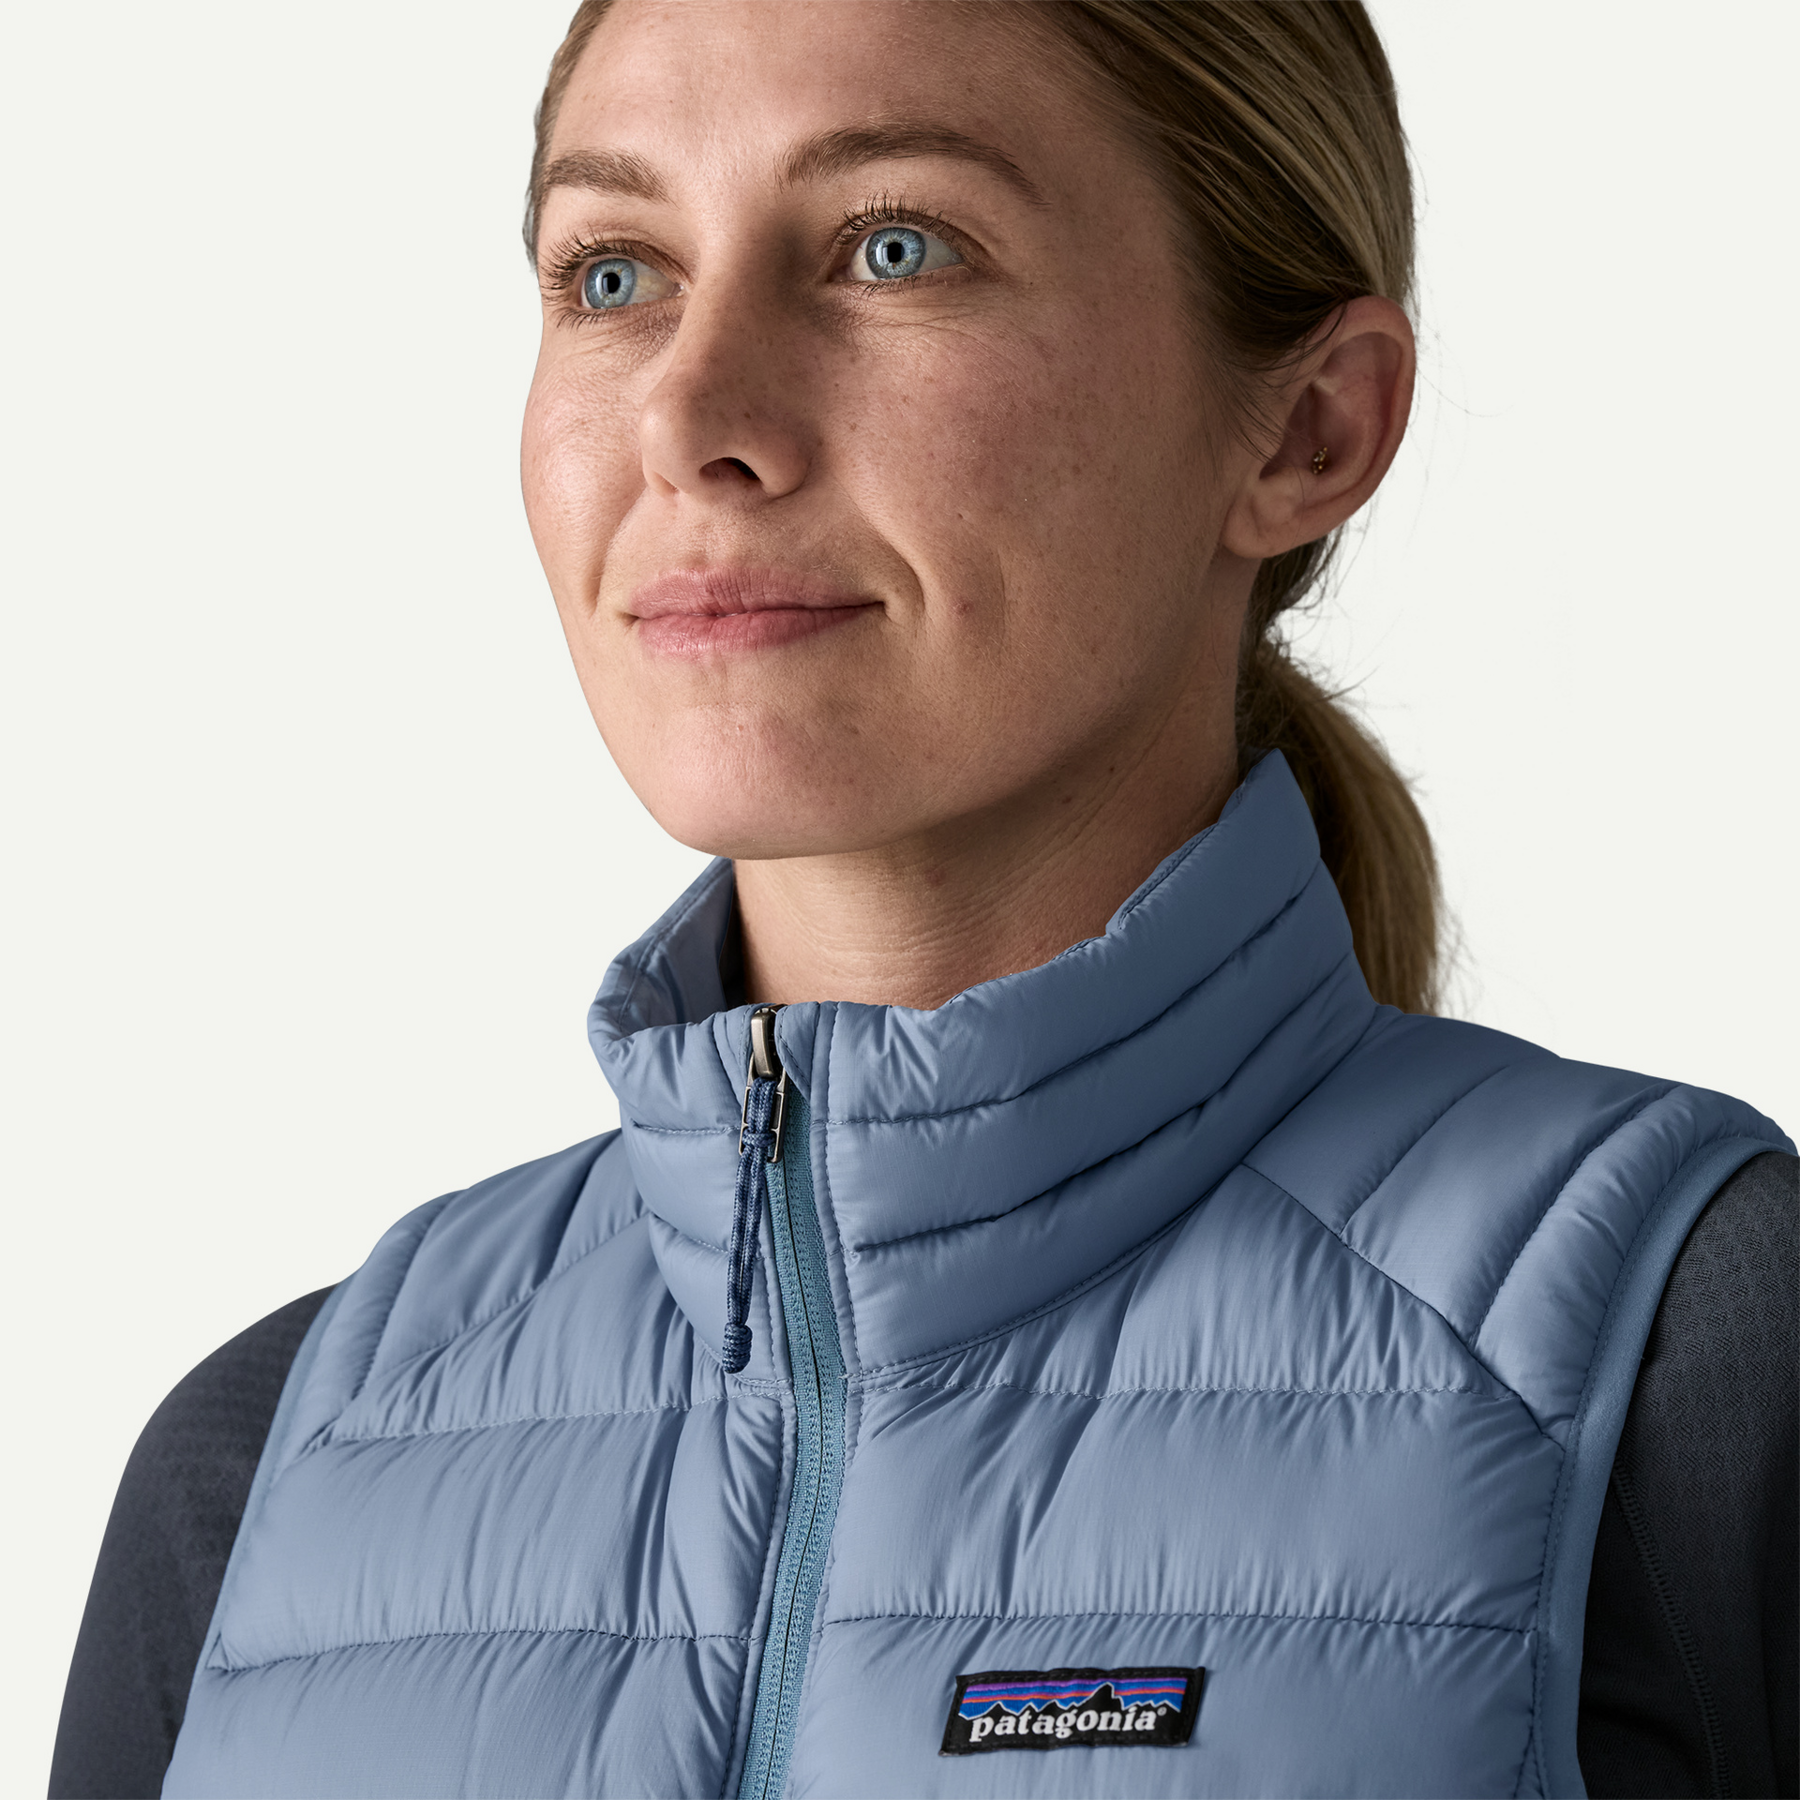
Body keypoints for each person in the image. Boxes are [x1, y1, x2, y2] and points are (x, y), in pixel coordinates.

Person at [51, 2, 1795, 1796]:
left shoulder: (1699, 1354)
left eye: (895, 248)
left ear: (1308, 428)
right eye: (615, 275)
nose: (692, 419)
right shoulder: (263, 1471)